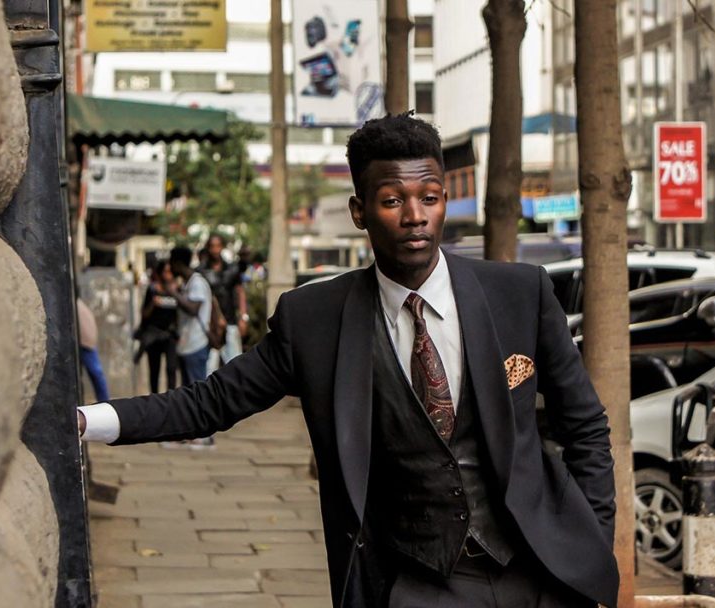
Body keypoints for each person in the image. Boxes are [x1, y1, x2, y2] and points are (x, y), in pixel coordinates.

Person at [78, 113, 618, 608]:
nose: (415, 216)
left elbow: (585, 426)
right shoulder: (314, 321)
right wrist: (86, 421)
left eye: (429, 197)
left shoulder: (520, 294)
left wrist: (590, 542)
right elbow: (210, 402)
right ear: (360, 211)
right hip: (417, 584)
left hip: (540, 572)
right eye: (392, 200)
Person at [198, 233, 249, 369]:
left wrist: (243, 317)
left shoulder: (232, 269)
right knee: (209, 370)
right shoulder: (201, 271)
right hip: (210, 327)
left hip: (230, 321)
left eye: (218, 246)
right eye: (212, 246)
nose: (215, 250)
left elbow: (240, 292)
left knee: (235, 366)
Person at [166, 246, 212, 384]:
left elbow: (193, 309)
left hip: (196, 344)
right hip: (187, 345)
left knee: (197, 392)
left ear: (178, 264)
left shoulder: (197, 283)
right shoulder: (188, 284)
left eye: (171, 263)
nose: (170, 268)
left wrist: (173, 293)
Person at [135, 260, 179, 393]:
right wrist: (153, 304)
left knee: (171, 369)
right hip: (154, 335)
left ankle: (171, 399)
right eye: (165, 271)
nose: (168, 275)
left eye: (170, 272)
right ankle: (154, 400)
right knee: (154, 370)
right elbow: (144, 314)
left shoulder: (177, 289)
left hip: (170, 335)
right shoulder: (153, 289)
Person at [75, 297, 109, 402]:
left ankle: (104, 403)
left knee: (96, 373)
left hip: (84, 341)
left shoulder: (74, 302)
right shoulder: (76, 302)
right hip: (83, 340)